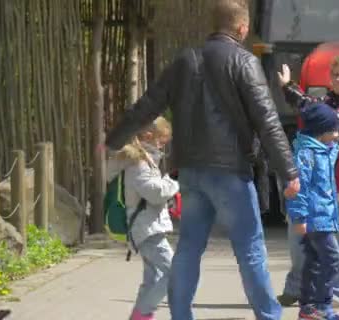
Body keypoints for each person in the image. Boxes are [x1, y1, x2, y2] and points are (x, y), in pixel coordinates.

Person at [104, 2, 300, 319]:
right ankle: (269, 316)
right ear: (242, 28)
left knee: (189, 248)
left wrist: (113, 139)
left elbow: (147, 106)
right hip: (230, 172)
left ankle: (181, 316)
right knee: (250, 250)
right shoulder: (245, 62)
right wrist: (288, 172)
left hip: (191, 171)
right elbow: (267, 121)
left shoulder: (185, 60)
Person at [277, 55, 339, 307]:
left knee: (338, 241)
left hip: (338, 188)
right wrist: (288, 86)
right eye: (335, 75)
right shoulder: (327, 102)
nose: (337, 80)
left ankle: (337, 292)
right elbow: (306, 105)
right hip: (314, 187)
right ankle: (296, 287)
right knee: (299, 236)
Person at [107, 117, 179, 320]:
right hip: (146, 228)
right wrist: (172, 182)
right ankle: (142, 314)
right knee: (174, 273)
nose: (162, 146)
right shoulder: (138, 163)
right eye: (161, 141)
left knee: (153, 278)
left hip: (147, 226)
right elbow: (154, 193)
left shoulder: (145, 160)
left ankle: (139, 316)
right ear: (148, 136)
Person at [286, 103, 339, 320]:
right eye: (333, 131)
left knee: (315, 260)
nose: (337, 135)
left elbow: (335, 146)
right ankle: (322, 304)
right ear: (320, 131)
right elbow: (299, 190)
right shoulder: (307, 154)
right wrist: (299, 217)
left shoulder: (324, 150)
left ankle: (308, 306)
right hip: (315, 219)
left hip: (324, 217)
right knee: (333, 259)